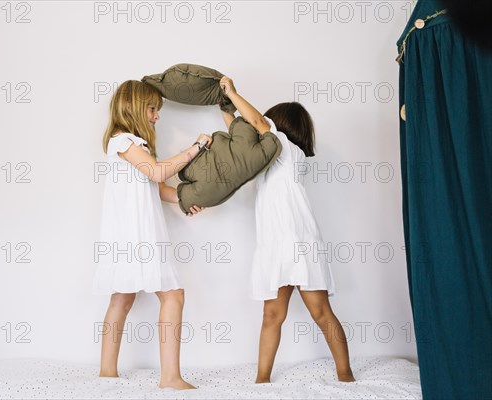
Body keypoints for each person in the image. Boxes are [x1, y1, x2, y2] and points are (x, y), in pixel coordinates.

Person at [219, 76, 355, 383]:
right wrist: (224, 105)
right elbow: (241, 130)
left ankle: (345, 374)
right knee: (272, 315)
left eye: (267, 124)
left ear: (280, 128)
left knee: (321, 312)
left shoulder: (288, 151)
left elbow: (255, 121)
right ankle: (262, 380)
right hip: (275, 247)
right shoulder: (270, 160)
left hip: (300, 243)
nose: (260, 128)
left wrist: (234, 92)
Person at [92, 80, 212, 390]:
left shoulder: (137, 148)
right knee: (172, 295)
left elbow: (158, 188)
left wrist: (184, 200)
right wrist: (195, 148)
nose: (156, 116)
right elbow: (158, 172)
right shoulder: (123, 142)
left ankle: (107, 374)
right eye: (152, 109)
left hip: (130, 236)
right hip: (137, 236)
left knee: (121, 298)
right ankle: (170, 378)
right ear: (130, 107)